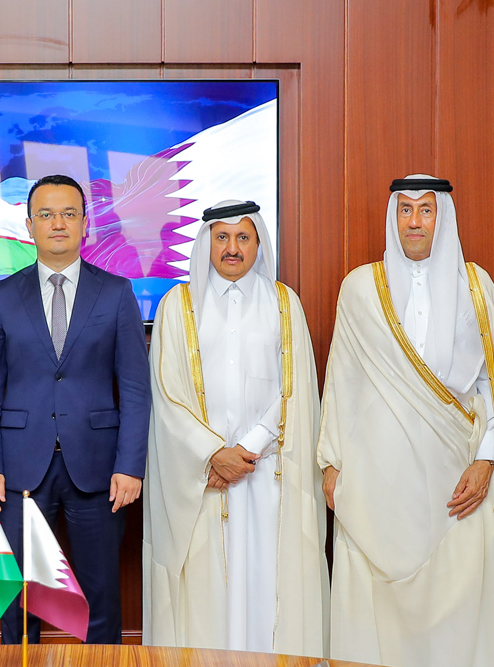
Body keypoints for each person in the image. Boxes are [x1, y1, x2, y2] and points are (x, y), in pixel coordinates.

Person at [318, 176, 494, 667]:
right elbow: (341, 384)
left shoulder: (476, 288)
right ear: (393, 217)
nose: (414, 221)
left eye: (425, 210)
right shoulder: (359, 289)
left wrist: (486, 461)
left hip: (458, 486)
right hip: (378, 489)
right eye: (405, 210)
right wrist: (330, 465)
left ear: (443, 218)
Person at [142, 200, 329, 656]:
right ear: (206, 243)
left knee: (267, 578)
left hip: (268, 474)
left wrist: (248, 447)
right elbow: (167, 394)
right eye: (221, 238)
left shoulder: (285, 304)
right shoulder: (177, 305)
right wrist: (212, 453)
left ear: (258, 243)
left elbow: (296, 388)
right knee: (207, 586)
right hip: (201, 477)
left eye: (243, 237)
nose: (232, 248)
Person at [0, 174, 151, 644]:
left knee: (101, 599)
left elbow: (135, 389)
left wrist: (130, 467)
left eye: (69, 213)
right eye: (46, 214)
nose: (58, 224)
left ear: (85, 224)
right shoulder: (3, 295)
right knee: (18, 600)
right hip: (17, 472)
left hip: (98, 470)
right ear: (29, 225)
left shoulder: (115, 293)